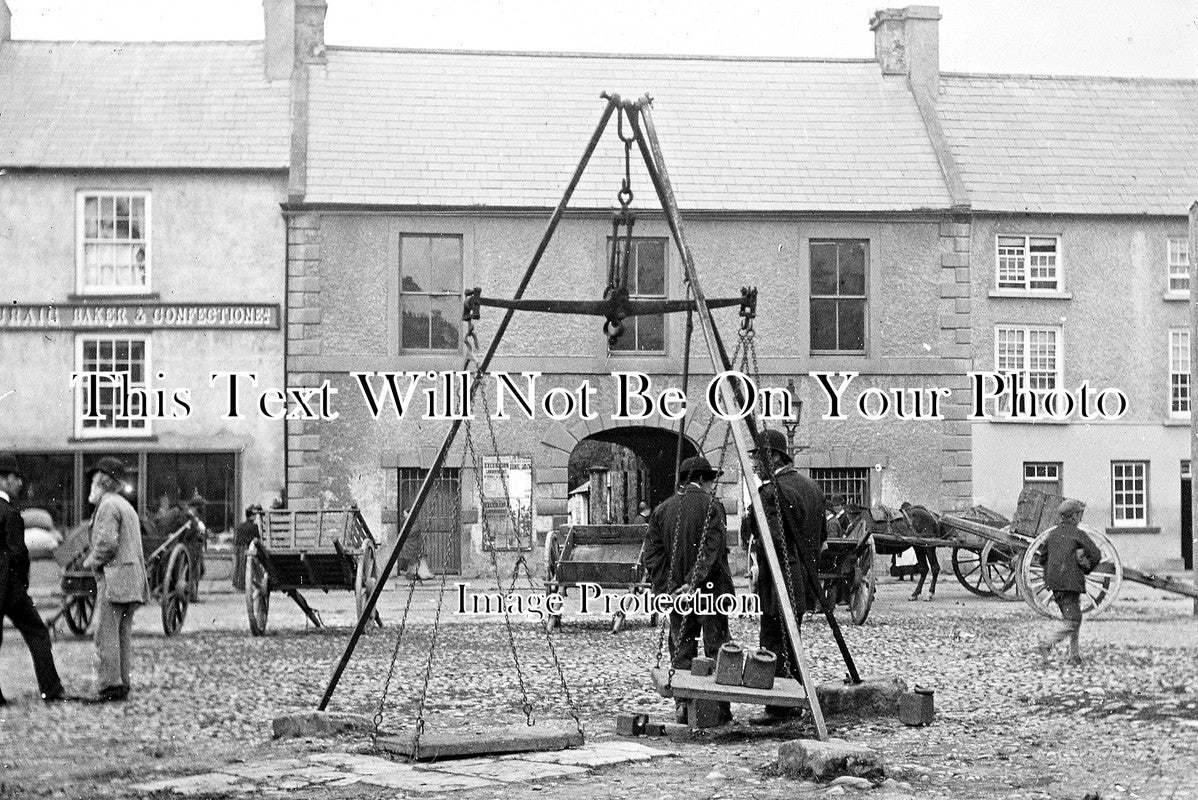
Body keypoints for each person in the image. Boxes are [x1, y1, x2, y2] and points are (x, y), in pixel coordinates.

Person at [741, 428, 826, 724]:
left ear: (773, 457)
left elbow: (773, 539)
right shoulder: (812, 488)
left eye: (757, 458)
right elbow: (822, 537)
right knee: (792, 639)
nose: (753, 464)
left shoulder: (771, 492)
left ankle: (778, 707)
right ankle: (795, 698)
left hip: (780, 579)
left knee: (774, 641)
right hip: (802, 579)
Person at [642, 456, 735, 725]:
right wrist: (692, 583)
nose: (711, 486)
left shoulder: (661, 510)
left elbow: (653, 556)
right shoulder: (713, 507)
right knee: (717, 647)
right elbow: (712, 550)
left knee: (681, 648)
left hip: (677, 597)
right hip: (711, 592)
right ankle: (720, 708)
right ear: (703, 480)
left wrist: (671, 588)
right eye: (710, 481)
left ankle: (684, 706)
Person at [0, 454, 67, 704]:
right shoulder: (10, 513)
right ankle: (51, 689)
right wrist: (22, 585)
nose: (19, 483)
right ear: (4, 480)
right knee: (38, 633)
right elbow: (19, 555)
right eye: (16, 478)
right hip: (11, 588)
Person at [82, 457, 149, 702]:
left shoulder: (108, 506)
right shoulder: (124, 504)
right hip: (131, 579)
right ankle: (122, 683)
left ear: (102, 482)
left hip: (114, 579)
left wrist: (91, 561)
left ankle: (110, 686)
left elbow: (107, 544)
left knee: (105, 634)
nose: (90, 485)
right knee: (122, 635)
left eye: (93, 480)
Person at [1035, 498, 1102, 666]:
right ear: (1074, 516)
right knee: (1074, 620)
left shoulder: (1053, 533)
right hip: (1070, 582)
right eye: (1080, 514)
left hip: (1055, 582)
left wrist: (1052, 572)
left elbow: (1042, 557)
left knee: (1072, 616)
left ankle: (1074, 655)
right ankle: (1047, 644)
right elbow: (1095, 554)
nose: (1080, 518)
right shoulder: (1078, 533)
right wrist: (1086, 567)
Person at [231, 505, 262, 591]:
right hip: (249, 549)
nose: (255, 517)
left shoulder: (240, 526)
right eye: (254, 515)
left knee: (240, 567)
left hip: (240, 549)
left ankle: (239, 585)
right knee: (250, 568)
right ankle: (249, 584)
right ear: (251, 516)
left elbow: (236, 540)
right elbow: (257, 539)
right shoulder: (254, 526)